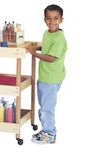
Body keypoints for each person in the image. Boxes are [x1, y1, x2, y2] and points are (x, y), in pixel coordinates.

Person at [28, 4, 67, 144]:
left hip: (51, 77)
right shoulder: (47, 33)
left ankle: (50, 134)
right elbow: (46, 47)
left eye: (56, 18)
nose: (52, 22)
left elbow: (51, 58)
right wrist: (37, 47)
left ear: (61, 19)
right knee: (44, 106)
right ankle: (47, 129)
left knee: (47, 108)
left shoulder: (59, 37)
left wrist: (34, 53)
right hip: (45, 76)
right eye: (49, 18)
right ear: (45, 20)